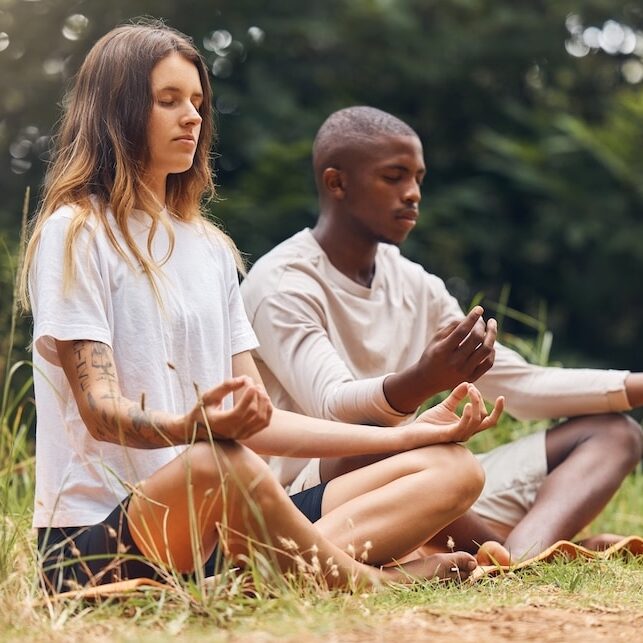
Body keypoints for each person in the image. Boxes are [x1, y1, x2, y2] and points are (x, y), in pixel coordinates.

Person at [19, 25, 506, 594]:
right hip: (98, 541)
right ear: (117, 112)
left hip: (221, 532)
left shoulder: (209, 247)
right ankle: (372, 583)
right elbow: (100, 410)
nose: (193, 118)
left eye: (198, 102)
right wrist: (189, 428)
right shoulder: (76, 232)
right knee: (216, 463)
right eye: (169, 100)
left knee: (453, 468)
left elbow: (263, 423)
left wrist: (409, 436)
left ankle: (264, 580)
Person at [241, 105, 643, 561]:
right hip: (321, 493)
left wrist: (634, 386)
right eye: (393, 177)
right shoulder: (281, 283)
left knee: (616, 433)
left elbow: (520, 386)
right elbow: (336, 412)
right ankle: (513, 549)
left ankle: (520, 554)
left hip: (427, 475)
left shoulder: (414, 283)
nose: (412, 194)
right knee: (379, 440)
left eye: (417, 178)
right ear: (337, 183)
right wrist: (423, 382)